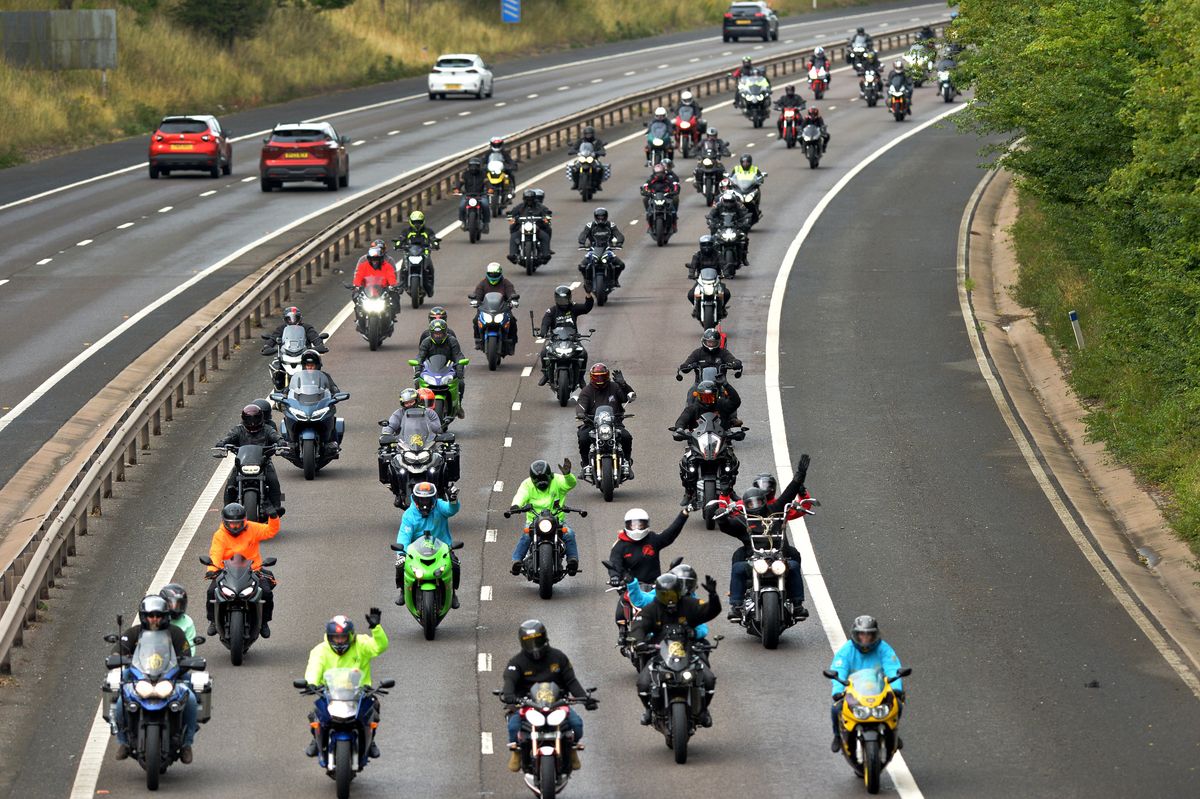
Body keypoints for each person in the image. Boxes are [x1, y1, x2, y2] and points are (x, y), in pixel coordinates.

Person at [110, 595, 199, 763]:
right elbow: (118, 650)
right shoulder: (134, 632)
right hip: (140, 677)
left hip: (171, 676)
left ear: (165, 616)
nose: (155, 619)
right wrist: (117, 657)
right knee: (121, 701)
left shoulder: (175, 633)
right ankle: (123, 742)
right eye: (151, 615)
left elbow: (186, 653)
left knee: (192, 699)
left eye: (158, 615)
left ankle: (187, 744)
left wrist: (185, 663)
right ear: (144, 616)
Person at [500, 620, 596, 772]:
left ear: (544, 638)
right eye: (529, 642)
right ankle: (517, 752)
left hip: (557, 704)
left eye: (537, 640)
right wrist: (509, 695)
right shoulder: (516, 662)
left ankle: (571, 749)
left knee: (576, 724)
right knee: (514, 727)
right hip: (528, 705)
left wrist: (585, 699)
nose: (534, 646)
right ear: (522, 643)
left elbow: (571, 681)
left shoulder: (559, 657)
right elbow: (509, 681)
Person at [631, 572, 720, 726]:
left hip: (688, 651)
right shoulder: (651, 609)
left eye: (672, 594)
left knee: (709, 679)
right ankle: (649, 710)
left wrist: (713, 596)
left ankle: (704, 710)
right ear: (658, 594)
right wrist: (638, 642)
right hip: (659, 654)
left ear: (679, 592)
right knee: (643, 684)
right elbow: (638, 626)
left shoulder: (689, 604)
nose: (669, 599)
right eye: (665, 595)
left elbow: (710, 611)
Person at [303, 609, 389, 760]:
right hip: (330, 692)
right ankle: (316, 740)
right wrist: (311, 684)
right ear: (329, 637)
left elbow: (379, 646)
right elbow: (313, 669)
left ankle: (371, 740)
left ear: (350, 636)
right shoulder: (320, 651)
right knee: (316, 713)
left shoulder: (361, 644)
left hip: (359, 692)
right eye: (336, 637)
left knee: (373, 710)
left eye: (343, 637)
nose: (340, 641)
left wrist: (376, 629)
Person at [718, 482, 811, 622]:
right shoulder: (744, 520)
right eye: (751, 504)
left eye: (758, 502)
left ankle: (797, 605)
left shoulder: (776, 513)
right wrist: (721, 518)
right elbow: (727, 525)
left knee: (794, 564)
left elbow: (789, 494)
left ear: (764, 501)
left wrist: (800, 476)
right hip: (755, 561)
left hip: (778, 559)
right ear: (746, 505)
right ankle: (736, 606)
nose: (755, 506)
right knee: (738, 568)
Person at [830, 615, 905, 753]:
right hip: (854, 691)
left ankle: (893, 731)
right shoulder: (846, 651)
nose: (865, 638)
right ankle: (837, 736)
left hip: (879, 689)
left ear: (874, 635)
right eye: (862, 635)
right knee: (836, 709)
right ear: (856, 635)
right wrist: (838, 691)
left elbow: (892, 667)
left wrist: (896, 688)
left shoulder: (883, 648)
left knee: (898, 704)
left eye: (869, 635)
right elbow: (839, 670)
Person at [204, 502, 280, 638]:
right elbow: (215, 553)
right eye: (232, 523)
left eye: (238, 523)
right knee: (211, 592)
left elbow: (270, 531)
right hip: (227, 572)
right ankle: (213, 621)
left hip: (253, 570)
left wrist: (273, 517)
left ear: (244, 520)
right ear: (225, 522)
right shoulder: (220, 535)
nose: (235, 526)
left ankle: (264, 622)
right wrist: (212, 570)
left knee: (266, 593)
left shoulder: (252, 528)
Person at [396, 481, 462, 607]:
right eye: (421, 500)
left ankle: (452, 592)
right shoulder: (409, 515)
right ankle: (402, 591)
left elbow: (451, 510)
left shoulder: (439, 506)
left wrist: (453, 500)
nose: (425, 503)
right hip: (417, 552)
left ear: (434, 498)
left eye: (427, 499)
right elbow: (404, 536)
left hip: (441, 549)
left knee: (455, 564)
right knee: (399, 566)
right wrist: (401, 554)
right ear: (416, 499)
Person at [508, 459, 579, 575]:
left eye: (544, 478)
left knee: (569, 533)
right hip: (534, 520)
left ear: (549, 475)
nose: (541, 482)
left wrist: (567, 475)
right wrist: (515, 505)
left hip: (557, 520)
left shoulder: (557, 480)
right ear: (532, 479)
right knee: (526, 535)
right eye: (537, 479)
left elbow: (570, 484)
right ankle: (516, 560)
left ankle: (572, 560)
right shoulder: (527, 484)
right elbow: (521, 495)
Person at [215, 403, 286, 515]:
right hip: (242, 463)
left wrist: (280, 442)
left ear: (261, 418)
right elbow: (229, 437)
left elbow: (275, 436)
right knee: (230, 485)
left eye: (255, 418)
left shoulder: (267, 429)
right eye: (249, 419)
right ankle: (227, 509)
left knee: (273, 481)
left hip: (263, 463)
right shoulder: (238, 430)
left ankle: (277, 506)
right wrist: (222, 443)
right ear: (244, 419)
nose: (252, 422)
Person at [605, 507, 690, 588]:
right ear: (628, 525)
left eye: (640, 525)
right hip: (630, 588)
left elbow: (670, 533)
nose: (637, 528)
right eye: (633, 525)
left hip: (654, 587)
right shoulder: (620, 545)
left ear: (646, 524)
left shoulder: (652, 539)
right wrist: (614, 576)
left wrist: (684, 513)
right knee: (623, 599)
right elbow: (615, 563)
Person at [575, 363, 635, 479]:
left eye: (602, 376)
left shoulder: (614, 387)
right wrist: (581, 414)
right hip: (592, 424)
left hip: (614, 423)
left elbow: (627, 397)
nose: (599, 379)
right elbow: (581, 404)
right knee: (583, 438)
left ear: (607, 376)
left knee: (626, 437)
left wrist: (623, 385)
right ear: (592, 377)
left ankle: (627, 463)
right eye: (596, 376)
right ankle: (586, 465)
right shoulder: (587, 390)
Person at [625, 563, 710, 639]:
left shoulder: (691, 600)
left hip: (682, 640)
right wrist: (632, 583)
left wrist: (694, 633)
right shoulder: (661, 594)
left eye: (690, 584)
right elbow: (640, 601)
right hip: (658, 640)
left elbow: (702, 625)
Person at [537, 285, 594, 386]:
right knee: (544, 352)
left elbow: (586, 308)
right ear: (556, 299)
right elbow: (545, 322)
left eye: (565, 299)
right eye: (560, 300)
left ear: (569, 298)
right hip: (555, 339)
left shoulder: (573, 308)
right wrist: (543, 332)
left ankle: (580, 378)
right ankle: (546, 375)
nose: (562, 302)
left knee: (584, 354)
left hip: (572, 339)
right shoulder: (552, 311)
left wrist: (588, 295)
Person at [679, 328, 743, 408]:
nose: (711, 344)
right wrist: (685, 366)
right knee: (691, 393)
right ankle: (689, 413)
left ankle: (732, 415)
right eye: (709, 342)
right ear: (704, 341)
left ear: (718, 342)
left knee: (731, 396)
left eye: (713, 342)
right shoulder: (697, 353)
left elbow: (733, 360)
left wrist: (735, 363)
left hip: (720, 384)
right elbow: (686, 364)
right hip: (700, 384)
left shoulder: (723, 352)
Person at [416, 320, 467, 417]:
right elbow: (420, 356)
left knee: (461, 383)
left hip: (448, 369)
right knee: (417, 381)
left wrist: (459, 369)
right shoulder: (426, 342)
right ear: (431, 333)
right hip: (430, 370)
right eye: (436, 333)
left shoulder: (452, 341)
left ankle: (458, 405)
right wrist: (418, 368)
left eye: (440, 333)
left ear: (445, 332)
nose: (438, 336)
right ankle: (418, 404)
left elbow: (458, 355)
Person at [469, 262, 520, 350]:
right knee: (475, 320)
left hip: (503, 310)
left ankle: (511, 341)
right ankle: (478, 340)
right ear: (487, 273)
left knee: (512, 320)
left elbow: (511, 292)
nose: (493, 276)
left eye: (495, 274)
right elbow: (477, 294)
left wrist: (513, 299)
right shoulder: (482, 283)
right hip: (485, 310)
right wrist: (475, 300)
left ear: (500, 273)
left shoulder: (506, 283)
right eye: (491, 274)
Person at [577, 208, 627, 289]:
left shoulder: (611, 225)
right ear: (595, 217)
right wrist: (581, 243)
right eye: (599, 217)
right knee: (582, 266)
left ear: (606, 217)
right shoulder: (590, 225)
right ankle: (587, 281)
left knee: (621, 265)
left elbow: (618, 234)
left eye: (602, 217)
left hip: (607, 249)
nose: (601, 219)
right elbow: (583, 234)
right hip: (593, 250)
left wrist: (619, 243)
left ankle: (615, 280)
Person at [395, 211, 440, 296]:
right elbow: (401, 238)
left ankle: (430, 288)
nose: (417, 224)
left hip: (424, 253)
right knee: (403, 268)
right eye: (415, 222)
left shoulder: (428, 231)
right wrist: (397, 244)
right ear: (411, 222)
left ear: (423, 221)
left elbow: (433, 238)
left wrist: (435, 243)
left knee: (430, 268)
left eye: (419, 222)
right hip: (410, 253)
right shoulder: (406, 231)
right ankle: (401, 285)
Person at [674, 380, 741, 435]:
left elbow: (736, 402)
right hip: (698, 440)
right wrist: (679, 429)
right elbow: (682, 419)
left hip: (721, 438)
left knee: (730, 447)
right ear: (699, 396)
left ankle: (733, 419)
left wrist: (726, 385)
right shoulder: (693, 408)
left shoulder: (721, 404)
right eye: (705, 397)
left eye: (710, 397)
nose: (707, 400)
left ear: (716, 395)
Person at [507, 189, 554, 265]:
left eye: (531, 199)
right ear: (524, 199)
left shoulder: (540, 206)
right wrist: (512, 219)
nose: (529, 201)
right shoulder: (520, 207)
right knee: (513, 236)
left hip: (537, 228)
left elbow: (547, 213)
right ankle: (513, 255)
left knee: (545, 235)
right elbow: (511, 215)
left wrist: (546, 218)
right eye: (527, 199)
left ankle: (546, 253)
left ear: (534, 199)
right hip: (522, 228)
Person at [706, 190, 753, 265]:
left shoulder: (739, 205)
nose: (728, 203)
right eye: (727, 201)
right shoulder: (718, 205)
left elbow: (745, 214)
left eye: (730, 201)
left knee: (744, 238)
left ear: (734, 200)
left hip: (735, 226)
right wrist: (711, 222)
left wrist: (746, 221)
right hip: (721, 226)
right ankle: (713, 257)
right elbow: (711, 215)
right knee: (712, 239)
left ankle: (744, 257)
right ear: (723, 200)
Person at [455, 158, 491, 233]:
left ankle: (486, 223)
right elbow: (460, 182)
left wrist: (490, 189)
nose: (474, 168)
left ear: (479, 166)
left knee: (485, 205)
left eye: (475, 166)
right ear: (469, 166)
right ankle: (463, 222)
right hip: (468, 195)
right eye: (472, 166)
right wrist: (457, 188)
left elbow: (487, 182)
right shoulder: (465, 174)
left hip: (481, 195)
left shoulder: (483, 174)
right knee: (461, 206)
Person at [640, 163, 680, 229]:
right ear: (654, 173)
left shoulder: (669, 178)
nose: (659, 175)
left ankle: (674, 220)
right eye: (657, 173)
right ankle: (648, 215)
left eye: (661, 173)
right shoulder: (651, 178)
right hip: (654, 196)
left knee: (675, 198)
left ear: (664, 172)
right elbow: (645, 186)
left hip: (666, 196)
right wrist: (646, 192)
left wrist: (675, 191)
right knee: (645, 199)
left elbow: (675, 184)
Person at [160, 583, 197, 651]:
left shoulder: (187, 622)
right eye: (171, 604)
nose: (175, 608)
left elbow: (190, 646)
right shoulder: (155, 619)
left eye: (178, 605)